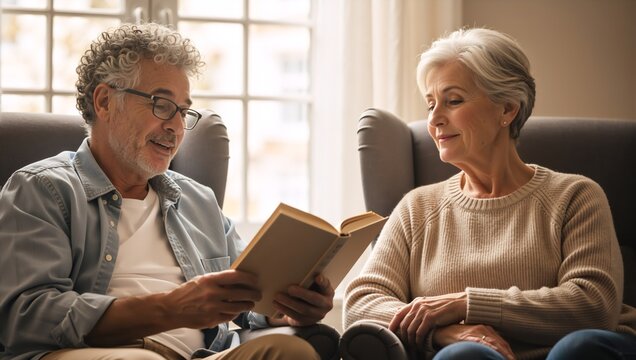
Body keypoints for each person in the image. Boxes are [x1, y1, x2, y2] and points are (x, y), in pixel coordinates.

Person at [0, 23, 334, 360]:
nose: (175, 127)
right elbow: (27, 315)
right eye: (161, 104)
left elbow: (249, 300)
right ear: (104, 101)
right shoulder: (43, 189)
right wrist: (171, 308)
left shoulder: (198, 202)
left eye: (184, 111)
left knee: (291, 350)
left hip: (203, 355)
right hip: (92, 353)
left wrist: (289, 306)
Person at [344, 27, 636, 359]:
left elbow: (594, 305)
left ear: (507, 110)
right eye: (430, 104)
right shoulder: (418, 208)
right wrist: (445, 331)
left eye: (453, 101)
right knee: (463, 356)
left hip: (578, 352)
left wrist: (465, 304)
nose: (435, 119)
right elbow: (360, 304)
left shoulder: (575, 196)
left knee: (579, 348)